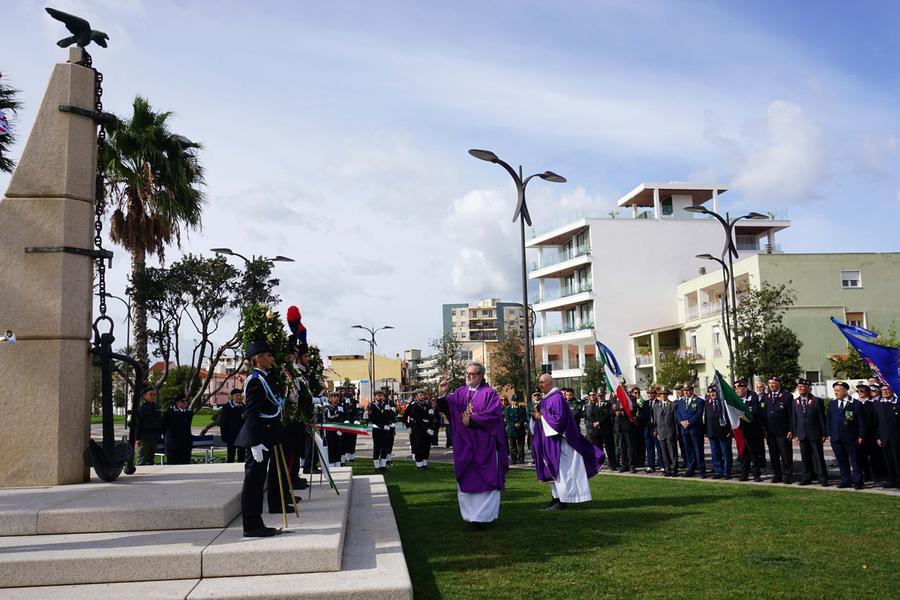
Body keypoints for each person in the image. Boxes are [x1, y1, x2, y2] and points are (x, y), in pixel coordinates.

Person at [437, 363, 508, 528]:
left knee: (486, 480)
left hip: (484, 446)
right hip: (465, 445)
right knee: (467, 478)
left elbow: (494, 416)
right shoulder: (460, 392)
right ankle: (471, 516)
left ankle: (484, 518)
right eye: (467, 374)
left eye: (473, 374)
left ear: (481, 376)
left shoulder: (489, 393)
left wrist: (474, 420)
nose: (469, 376)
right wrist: (441, 394)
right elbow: (447, 408)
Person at [234, 340, 290, 538]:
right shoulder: (255, 380)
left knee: (258, 481)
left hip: (266, 435)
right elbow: (251, 413)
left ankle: (256, 522)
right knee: (253, 482)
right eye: (268, 355)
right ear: (258, 359)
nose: (271, 358)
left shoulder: (266, 378)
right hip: (258, 438)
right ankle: (251, 525)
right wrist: (254, 442)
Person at [532, 374, 604, 510]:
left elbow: (558, 421)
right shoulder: (546, 399)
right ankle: (556, 497)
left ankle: (563, 500)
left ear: (551, 383)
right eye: (539, 382)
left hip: (560, 444)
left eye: (542, 382)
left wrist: (540, 417)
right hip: (549, 442)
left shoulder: (557, 398)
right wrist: (535, 416)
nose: (540, 385)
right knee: (551, 470)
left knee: (561, 472)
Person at [827, 381, 866, 489]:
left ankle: (858, 482)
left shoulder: (855, 404)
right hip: (836, 438)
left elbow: (861, 422)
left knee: (855, 461)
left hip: (851, 438)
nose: (836, 393)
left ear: (845, 391)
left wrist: (861, 436)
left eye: (838, 390)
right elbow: (829, 420)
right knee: (841, 460)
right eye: (835, 390)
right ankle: (846, 480)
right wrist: (829, 434)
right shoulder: (832, 404)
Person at [791, 378, 828, 486]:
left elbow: (822, 418)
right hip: (802, 434)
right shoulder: (795, 402)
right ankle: (806, 477)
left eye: (804, 387)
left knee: (818, 457)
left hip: (815, 433)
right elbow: (795, 419)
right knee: (805, 457)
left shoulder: (817, 400)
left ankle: (822, 478)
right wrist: (796, 433)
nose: (801, 389)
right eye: (799, 387)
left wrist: (824, 433)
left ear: (809, 388)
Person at [761, 376, 793, 484]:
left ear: (778, 383)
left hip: (783, 431)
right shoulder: (766, 397)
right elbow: (763, 415)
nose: (772, 385)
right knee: (773, 455)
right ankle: (777, 475)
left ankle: (787, 476)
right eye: (770, 383)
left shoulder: (787, 396)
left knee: (786, 455)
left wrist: (791, 429)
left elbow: (791, 415)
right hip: (770, 432)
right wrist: (764, 428)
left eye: (774, 383)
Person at [201, 388, 246, 463]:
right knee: (231, 455)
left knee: (242, 455)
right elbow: (223, 423)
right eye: (237, 395)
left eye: (240, 395)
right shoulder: (227, 407)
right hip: (231, 436)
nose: (239, 397)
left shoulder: (244, 407)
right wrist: (224, 436)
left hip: (242, 436)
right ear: (232, 397)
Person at [735, 379, 764, 482]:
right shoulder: (735, 399)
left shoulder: (753, 396)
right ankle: (744, 473)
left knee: (754, 453)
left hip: (752, 430)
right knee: (743, 454)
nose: (737, 391)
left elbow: (755, 412)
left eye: (739, 389)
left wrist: (743, 415)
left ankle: (756, 474)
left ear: (745, 389)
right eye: (736, 389)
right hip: (740, 431)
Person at [874, 381, 900, 488]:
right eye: (883, 390)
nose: (885, 391)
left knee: (898, 460)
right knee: (888, 461)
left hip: (897, 437)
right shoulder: (878, 404)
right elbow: (877, 422)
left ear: (892, 390)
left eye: (887, 389)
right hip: (884, 438)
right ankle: (892, 480)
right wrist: (878, 437)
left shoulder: (898, 402)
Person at [676, 383, 705, 477]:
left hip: (695, 429)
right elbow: (678, 413)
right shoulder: (680, 402)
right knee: (688, 450)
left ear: (692, 390)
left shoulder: (699, 401)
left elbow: (699, 414)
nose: (686, 392)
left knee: (698, 449)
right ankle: (690, 468)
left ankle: (701, 469)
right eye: (684, 391)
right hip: (684, 430)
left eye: (688, 390)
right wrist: (681, 422)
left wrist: (689, 422)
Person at [704, 384, 732, 479]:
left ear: (718, 392)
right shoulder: (707, 402)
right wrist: (707, 431)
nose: (712, 394)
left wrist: (729, 430)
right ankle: (718, 471)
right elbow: (706, 418)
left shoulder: (723, 403)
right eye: (711, 392)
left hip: (723, 432)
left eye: (714, 392)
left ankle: (726, 472)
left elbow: (729, 418)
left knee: (725, 453)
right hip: (712, 432)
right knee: (715, 453)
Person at [856, 383, 882, 483]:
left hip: (871, 434)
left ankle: (875, 475)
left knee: (874, 456)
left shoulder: (873, 404)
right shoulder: (855, 403)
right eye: (858, 391)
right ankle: (866, 474)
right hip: (859, 435)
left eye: (861, 391)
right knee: (861, 456)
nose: (859, 393)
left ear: (867, 392)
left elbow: (876, 420)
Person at [405, 389, 438, 468]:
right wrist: (408, 426)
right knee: (419, 445)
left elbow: (431, 418)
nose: (423, 396)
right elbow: (417, 419)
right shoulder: (414, 406)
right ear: (416, 397)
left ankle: (425, 463)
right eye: (421, 395)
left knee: (426, 446)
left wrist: (431, 425)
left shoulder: (427, 405)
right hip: (418, 428)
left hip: (427, 428)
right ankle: (419, 463)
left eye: (423, 395)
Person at [161, 392, 194, 465]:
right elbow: (164, 427)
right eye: (182, 401)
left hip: (186, 444)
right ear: (177, 402)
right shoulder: (170, 412)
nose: (185, 402)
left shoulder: (189, 413)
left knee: (185, 464)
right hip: (173, 444)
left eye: (186, 400)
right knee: (172, 465)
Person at [654, 387, 679, 476]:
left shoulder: (672, 405)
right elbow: (655, 420)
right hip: (661, 432)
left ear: (668, 395)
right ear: (659, 395)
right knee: (664, 452)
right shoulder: (657, 405)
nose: (663, 396)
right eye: (661, 394)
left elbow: (676, 420)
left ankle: (674, 469)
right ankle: (667, 469)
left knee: (672, 452)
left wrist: (676, 432)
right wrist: (655, 430)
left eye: (665, 394)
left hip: (670, 431)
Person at [135, 386, 162, 466]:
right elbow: (137, 424)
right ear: (144, 396)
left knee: (151, 459)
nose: (153, 396)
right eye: (151, 395)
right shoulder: (142, 409)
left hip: (154, 437)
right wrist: (137, 439)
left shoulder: (156, 407)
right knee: (142, 459)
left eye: (154, 395)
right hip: (144, 438)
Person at [368, 390, 391, 473]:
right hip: (377, 429)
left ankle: (383, 465)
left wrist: (389, 411)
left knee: (385, 447)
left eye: (381, 396)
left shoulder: (385, 405)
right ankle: (377, 466)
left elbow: (389, 417)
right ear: (375, 397)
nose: (380, 397)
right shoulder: (371, 406)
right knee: (377, 447)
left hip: (385, 429)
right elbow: (372, 419)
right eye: (378, 396)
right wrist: (382, 425)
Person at [643, 386, 663, 473]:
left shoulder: (659, 403)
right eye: (649, 393)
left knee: (659, 448)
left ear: (655, 394)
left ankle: (662, 465)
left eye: (652, 393)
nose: (650, 394)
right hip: (648, 429)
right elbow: (642, 415)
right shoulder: (645, 403)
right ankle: (651, 466)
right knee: (649, 448)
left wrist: (657, 429)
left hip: (657, 428)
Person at [504, 393, 528, 464]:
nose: (515, 402)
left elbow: (524, 417)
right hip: (512, 430)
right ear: (512, 401)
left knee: (521, 446)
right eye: (514, 401)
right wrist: (514, 424)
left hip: (520, 430)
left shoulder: (522, 409)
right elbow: (508, 419)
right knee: (512, 446)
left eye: (517, 400)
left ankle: (521, 459)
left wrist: (519, 423)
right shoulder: (508, 409)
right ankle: (514, 459)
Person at [323, 392, 345, 468]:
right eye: (334, 397)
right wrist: (336, 417)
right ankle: (331, 465)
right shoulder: (327, 407)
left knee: (339, 448)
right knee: (331, 448)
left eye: (337, 396)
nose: (336, 398)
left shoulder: (340, 407)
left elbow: (342, 417)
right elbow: (329, 419)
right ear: (330, 398)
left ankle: (338, 464)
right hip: (331, 431)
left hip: (339, 430)